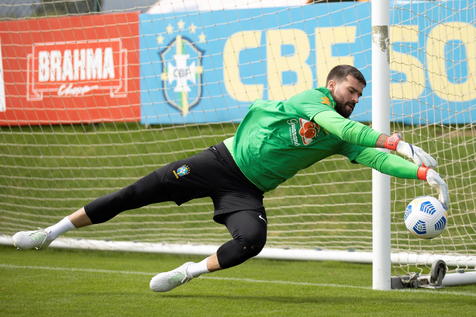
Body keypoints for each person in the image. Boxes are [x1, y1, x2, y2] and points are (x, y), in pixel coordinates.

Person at [12, 65, 449, 293]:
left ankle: (187, 271)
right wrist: (395, 141)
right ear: (332, 85)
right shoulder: (310, 101)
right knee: (136, 193)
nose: (355, 100)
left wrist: (421, 171)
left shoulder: (341, 135)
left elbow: (370, 155)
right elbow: (349, 130)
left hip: (245, 190)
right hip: (218, 162)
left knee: (251, 241)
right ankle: (50, 232)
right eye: (350, 92)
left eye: (359, 96)